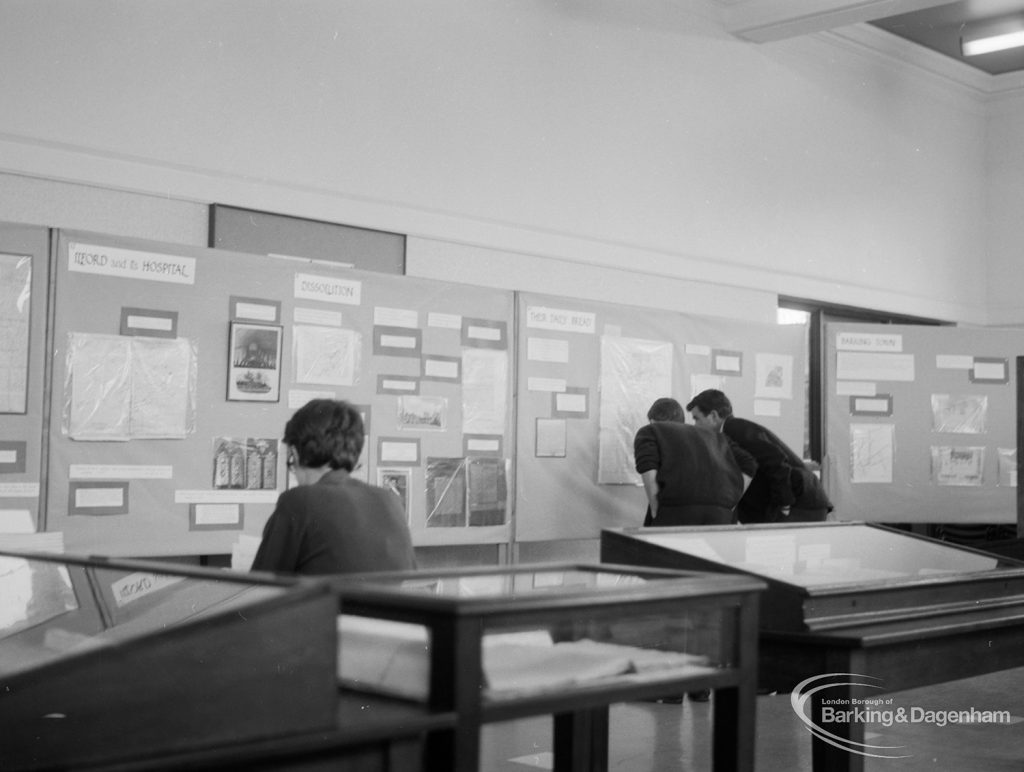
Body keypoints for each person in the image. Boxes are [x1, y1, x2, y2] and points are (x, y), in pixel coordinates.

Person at [251, 399, 416, 575]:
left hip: (330, 603)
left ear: (295, 454)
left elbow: (259, 585)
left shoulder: (298, 501)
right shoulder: (389, 499)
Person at [686, 389, 833, 524]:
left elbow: (775, 459)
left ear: (713, 416)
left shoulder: (735, 428)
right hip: (799, 500)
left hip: (801, 502)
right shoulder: (729, 433)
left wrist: (783, 504)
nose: (695, 426)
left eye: (697, 418)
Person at [633, 397, 756, 527]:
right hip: (721, 513)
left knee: (662, 546)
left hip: (676, 509)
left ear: (653, 421)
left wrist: (654, 507)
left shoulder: (651, 431)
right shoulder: (715, 437)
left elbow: (647, 465)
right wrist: (732, 501)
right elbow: (749, 463)